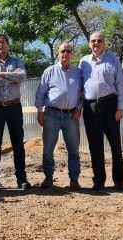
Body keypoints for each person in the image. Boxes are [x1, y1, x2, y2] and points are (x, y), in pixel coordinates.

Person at [0, 34, 32, 191]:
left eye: (2, 42)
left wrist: (2, 74)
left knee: (18, 144)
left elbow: (22, 76)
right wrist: (12, 78)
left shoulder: (17, 61)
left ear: (8, 45)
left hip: (14, 107)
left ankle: (21, 179)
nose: (0, 45)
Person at [79, 31, 123, 192]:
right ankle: (98, 181)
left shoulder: (113, 59)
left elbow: (121, 84)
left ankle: (119, 180)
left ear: (104, 43)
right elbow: (80, 87)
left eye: (99, 40)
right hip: (90, 107)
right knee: (95, 145)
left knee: (115, 144)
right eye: (93, 41)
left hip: (111, 105)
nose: (96, 43)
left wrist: (121, 107)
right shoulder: (83, 62)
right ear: (89, 44)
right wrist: (79, 108)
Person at [35, 42, 83, 190]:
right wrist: (40, 112)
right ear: (58, 53)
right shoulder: (49, 71)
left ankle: (74, 180)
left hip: (71, 115)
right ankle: (48, 177)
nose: (65, 54)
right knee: (48, 148)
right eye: (63, 51)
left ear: (72, 54)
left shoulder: (78, 72)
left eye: (68, 51)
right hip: (52, 114)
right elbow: (40, 94)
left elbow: (82, 93)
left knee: (73, 149)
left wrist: (79, 109)